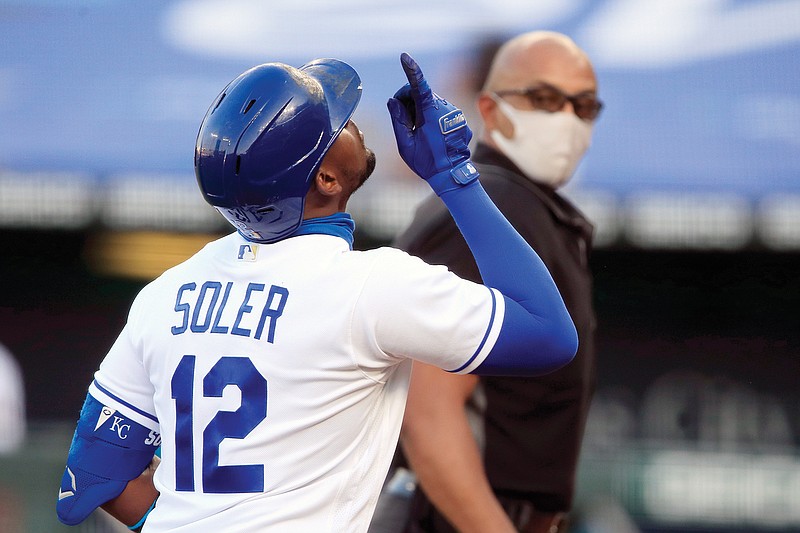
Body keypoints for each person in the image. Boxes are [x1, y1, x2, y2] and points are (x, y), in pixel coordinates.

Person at [55, 53, 578, 532]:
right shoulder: (371, 286)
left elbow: (97, 477)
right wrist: (454, 176)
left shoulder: (166, 292)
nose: (355, 123)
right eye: (340, 125)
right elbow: (548, 334)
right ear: (327, 178)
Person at [386, 31, 601, 533]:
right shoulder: (487, 209)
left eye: (584, 105)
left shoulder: (527, 206)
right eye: (545, 98)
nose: (567, 119)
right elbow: (428, 411)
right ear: (489, 107)